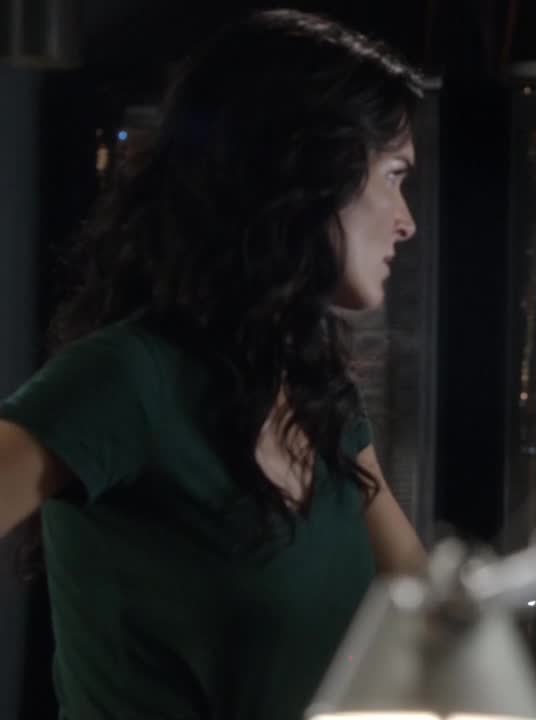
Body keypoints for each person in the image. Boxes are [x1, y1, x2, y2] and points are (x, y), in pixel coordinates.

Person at [0, 10, 428, 719]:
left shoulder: (321, 396)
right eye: (394, 174)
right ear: (308, 170)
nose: (407, 221)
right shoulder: (126, 378)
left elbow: (428, 610)